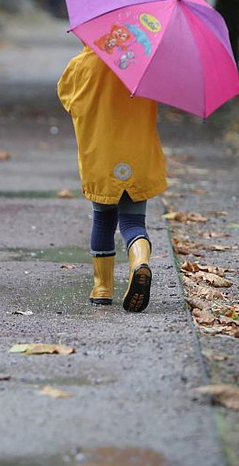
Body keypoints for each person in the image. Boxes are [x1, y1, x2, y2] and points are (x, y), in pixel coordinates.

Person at [57, 46, 167, 312]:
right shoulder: (145, 62)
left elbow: (68, 99)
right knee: (132, 221)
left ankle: (102, 288)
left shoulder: (81, 64)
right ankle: (140, 261)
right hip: (138, 153)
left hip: (102, 154)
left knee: (103, 220)